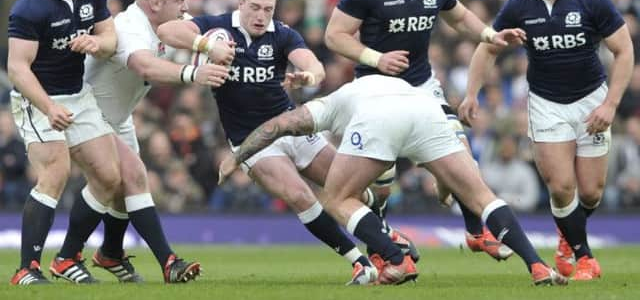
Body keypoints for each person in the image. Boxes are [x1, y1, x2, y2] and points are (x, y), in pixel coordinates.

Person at [217, 75, 569, 286]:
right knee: (481, 195)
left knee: (337, 199)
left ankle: (394, 256)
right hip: (424, 109)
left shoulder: (327, 106)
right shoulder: (369, 87)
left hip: (381, 118)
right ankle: (537, 266)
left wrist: (237, 155)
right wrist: (447, 184)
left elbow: (278, 126)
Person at [324, 0, 525, 260]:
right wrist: (376, 58)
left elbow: (459, 17)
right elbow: (334, 36)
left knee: (463, 159)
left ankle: (475, 232)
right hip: (377, 91)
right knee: (382, 188)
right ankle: (381, 251)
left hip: (421, 86)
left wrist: (491, 35)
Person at [157, 0, 374, 285]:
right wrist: (206, 46)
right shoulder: (217, 28)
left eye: (268, 9)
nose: (261, 16)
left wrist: (310, 76)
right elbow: (166, 29)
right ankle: (359, 261)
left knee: (347, 185)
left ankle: (386, 242)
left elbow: (312, 63)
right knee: (299, 194)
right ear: (241, 2)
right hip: (251, 142)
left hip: (291, 127)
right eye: (255, 7)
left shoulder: (282, 34)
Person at [459, 0, 634, 281]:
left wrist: (611, 105)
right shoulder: (519, 4)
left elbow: (624, 51)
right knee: (560, 186)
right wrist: (471, 94)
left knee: (590, 191)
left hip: (591, 100)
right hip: (546, 103)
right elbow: (487, 47)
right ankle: (585, 258)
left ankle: (567, 237)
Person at [60, 0, 232, 283]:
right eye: (179, 0)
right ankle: (168, 262)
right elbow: (143, 65)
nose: (185, 6)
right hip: (88, 113)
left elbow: (193, 29)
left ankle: (110, 253)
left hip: (118, 116)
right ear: (154, 3)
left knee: (126, 190)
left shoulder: (165, 22)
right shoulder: (130, 25)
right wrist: (194, 71)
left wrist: (213, 43)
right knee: (134, 176)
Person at [7, 0, 121, 285]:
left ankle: (67, 258)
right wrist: (49, 106)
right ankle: (27, 269)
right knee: (56, 172)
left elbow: (110, 38)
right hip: (37, 98)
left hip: (78, 95)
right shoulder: (30, 7)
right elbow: (18, 68)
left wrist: (97, 43)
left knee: (108, 177)